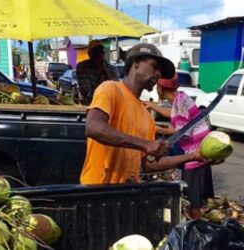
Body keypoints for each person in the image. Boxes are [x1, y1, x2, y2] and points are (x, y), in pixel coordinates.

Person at [80, 43, 211, 185]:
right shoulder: (110, 89)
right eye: (154, 66)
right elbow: (93, 127)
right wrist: (145, 144)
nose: (159, 74)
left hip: (128, 191)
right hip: (97, 189)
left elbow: (148, 165)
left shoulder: (146, 116)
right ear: (136, 63)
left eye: (160, 71)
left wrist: (193, 156)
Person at [144, 76, 214, 219]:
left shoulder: (180, 101)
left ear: (161, 89)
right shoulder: (179, 98)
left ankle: (196, 231)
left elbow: (180, 132)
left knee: (192, 202)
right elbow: (173, 115)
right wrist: (152, 106)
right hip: (196, 151)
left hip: (195, 155)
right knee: (193, 199)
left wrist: (156, 129)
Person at [76, 40, 119, 105]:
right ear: (89, 54)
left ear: (103, 53)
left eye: (100, 51)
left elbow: (115, 90)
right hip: (91, 105)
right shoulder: (83, 67)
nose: (98, 55)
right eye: (95, 52)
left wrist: (104, 70)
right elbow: (86, 92)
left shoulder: (111, 69)